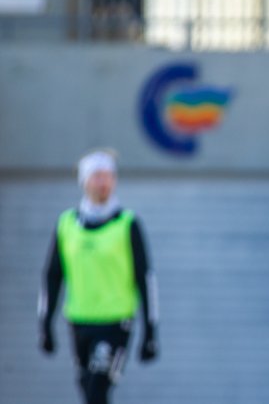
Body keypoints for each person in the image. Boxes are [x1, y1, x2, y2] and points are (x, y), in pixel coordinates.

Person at [38, 148, 159, 404]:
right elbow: (52, 277)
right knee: (87, 390)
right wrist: (45, 323)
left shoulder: (127, 223)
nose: (104, 182)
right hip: (79, 321)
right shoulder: (67, 224)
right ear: (84, 181)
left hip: (115, 323)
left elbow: (146, 279)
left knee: (97, 390)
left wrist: (150, 330)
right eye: (97, 176)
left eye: (109, 176)